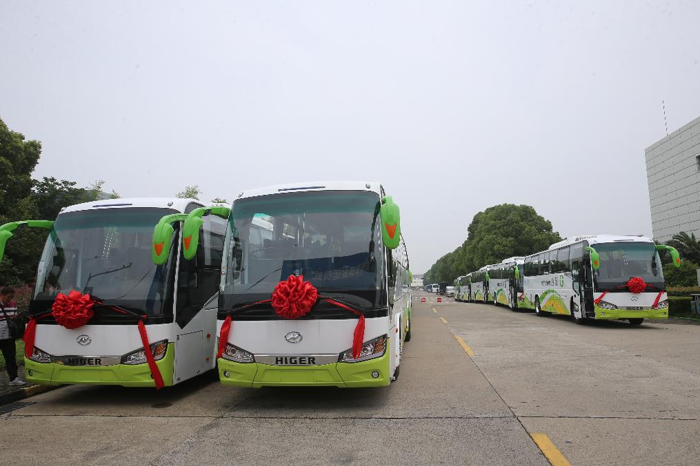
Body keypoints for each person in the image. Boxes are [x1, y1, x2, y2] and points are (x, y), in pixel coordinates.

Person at [0, 286, 25, 386]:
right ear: (2, 295)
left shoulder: (13, 304)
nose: (10, 300)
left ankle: (14, 378)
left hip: (9, 337)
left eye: (12, 297)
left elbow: (14, 317)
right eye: (8, 297)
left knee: (11, 358)